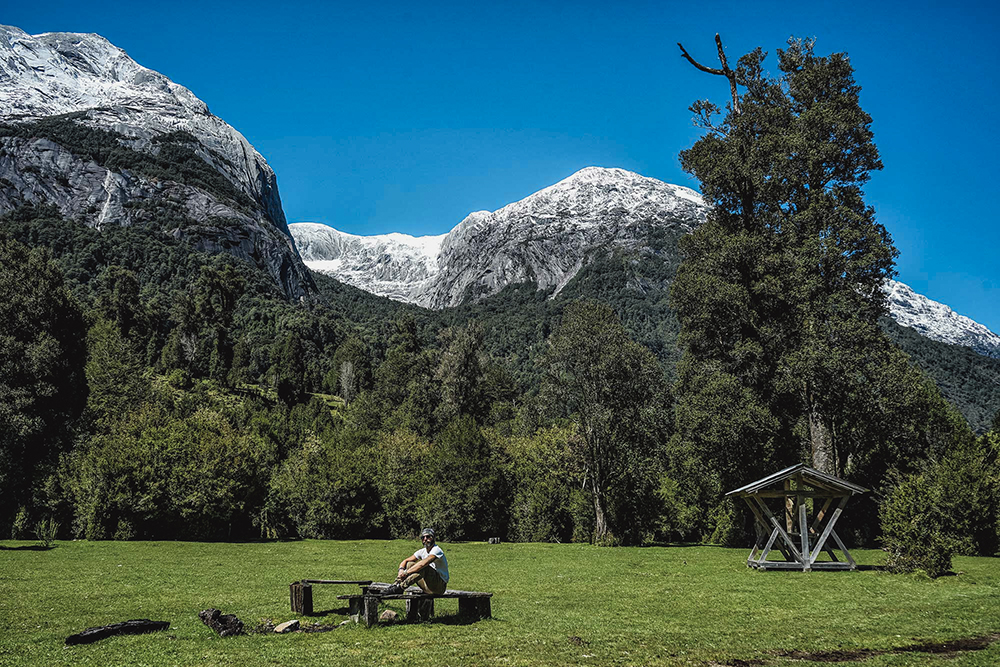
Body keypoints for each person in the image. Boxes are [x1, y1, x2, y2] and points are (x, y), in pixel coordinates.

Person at [386, 527, 449, 595]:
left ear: (433, 538)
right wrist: (401, 570)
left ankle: (401, 588)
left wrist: (406, 573)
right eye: (423, 537)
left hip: (439, 588)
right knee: (410, 564)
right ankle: (396, 585)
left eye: (428, 537)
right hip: (427, 586)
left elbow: (423, 564)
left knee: (423, 567)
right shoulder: (422, 551)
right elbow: (405, 561)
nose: (425, 539)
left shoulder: (436, 550)